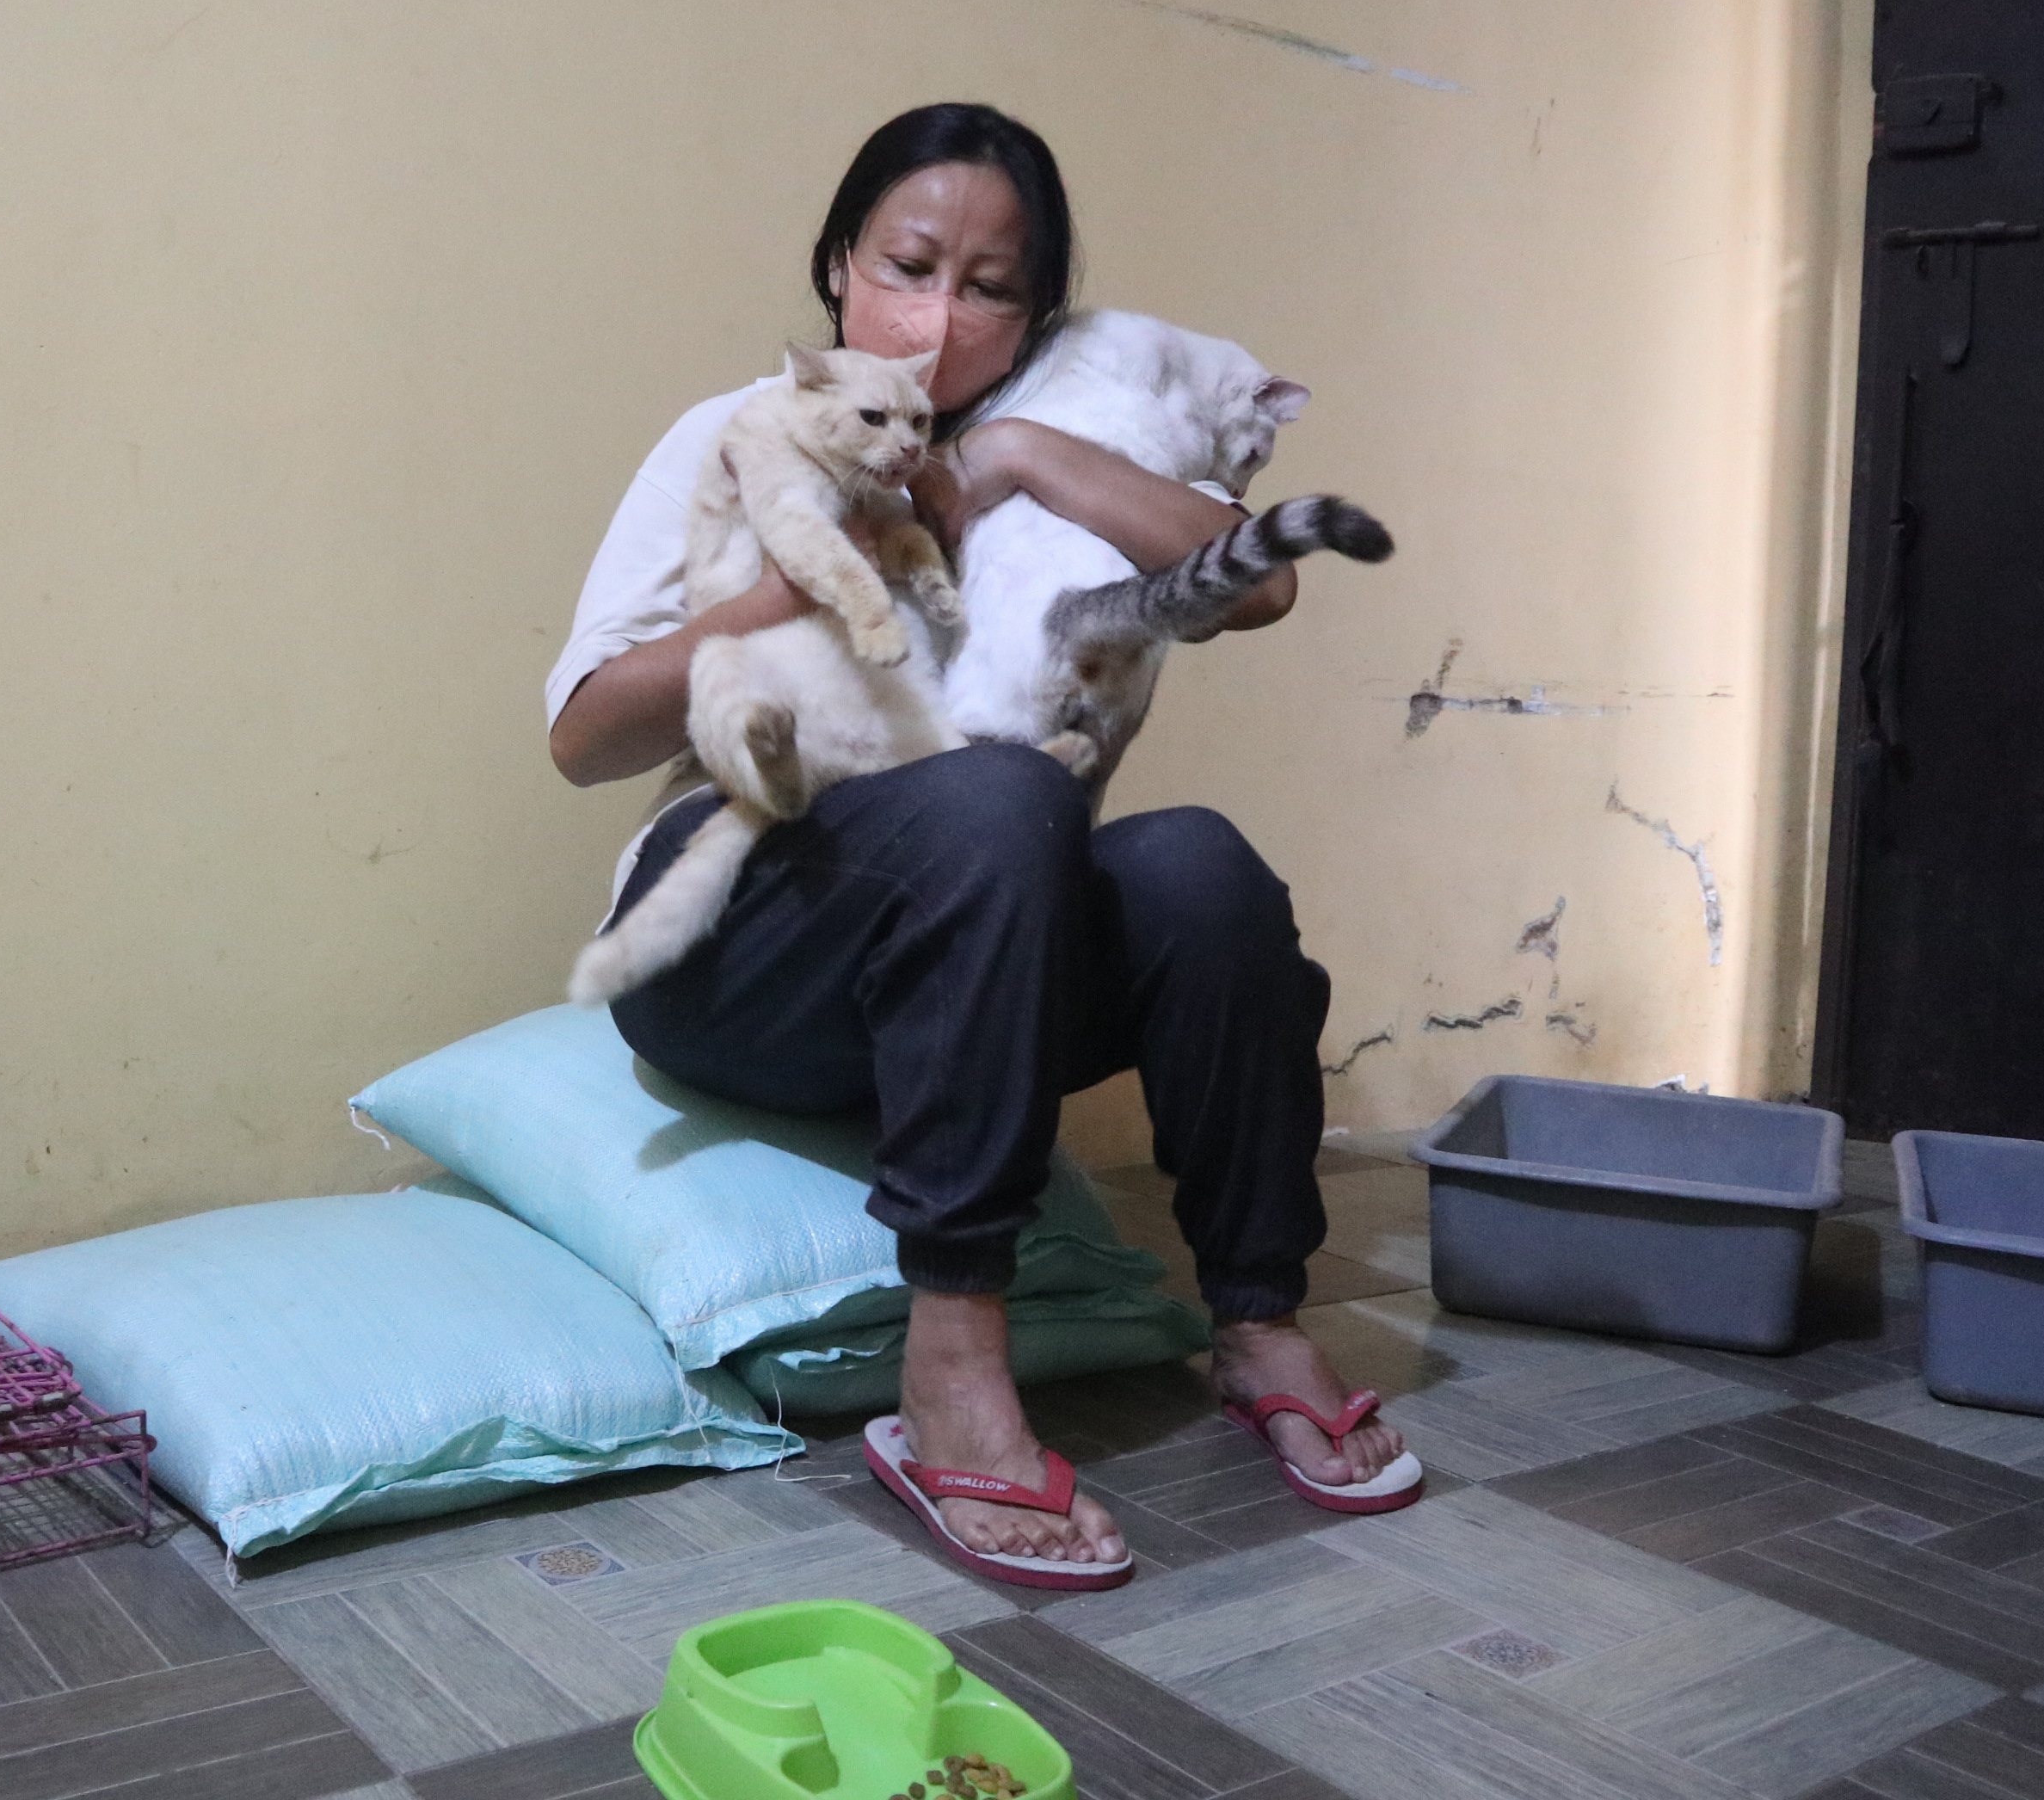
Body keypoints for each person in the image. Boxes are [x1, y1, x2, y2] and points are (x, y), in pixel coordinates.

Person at [544, 103, 1413, 1587]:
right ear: (839, 264)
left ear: (1038, 313)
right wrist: (800, 588)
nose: (940, 321)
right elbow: (584, 738)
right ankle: (950, 1362)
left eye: (992, 288)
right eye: (909, 267)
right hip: (748, 952)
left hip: (981, 955)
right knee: (1000, 796)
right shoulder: (740, 438)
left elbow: (1258, 586)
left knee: (1197, 867)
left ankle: (1260, 1316)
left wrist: (1016, 454)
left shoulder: (1082, 430)